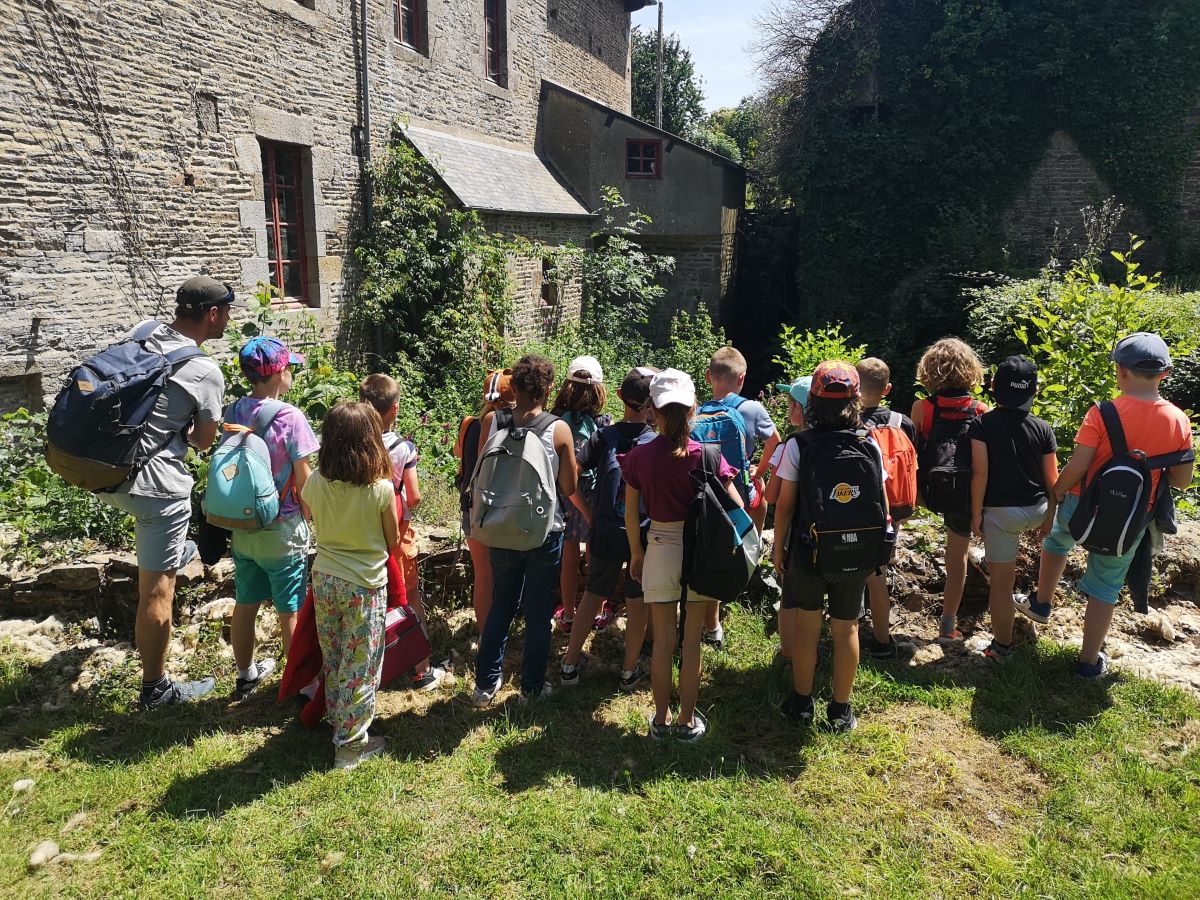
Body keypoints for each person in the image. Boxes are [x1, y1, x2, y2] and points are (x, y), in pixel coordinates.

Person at [1018, 334, 1193, 677]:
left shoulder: (1103, 412)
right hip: (1130, 520)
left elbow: (1078, 466)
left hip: (1081, 507)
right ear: (1165, 374)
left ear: (1121, 371)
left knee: (1056, 541)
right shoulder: (1178, 420)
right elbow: (1182, 480)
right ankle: (1088, 663)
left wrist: (1057, 492)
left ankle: (1041, 602)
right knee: (1105, 586)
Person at [96, 276, 232, 709]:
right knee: (157, 590)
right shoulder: (205, 370)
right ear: (212, 314)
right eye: (227, 312)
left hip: (105, 470)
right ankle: (154, 689)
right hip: (154, 488)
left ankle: (176, 548)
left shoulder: (144, 330)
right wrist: (181, 431)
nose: (229, 319)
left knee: (163, 543)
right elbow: (203, 441)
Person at [624, 369, 739, 742]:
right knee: (691, 642)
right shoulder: (708, 455)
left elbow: (630, 513)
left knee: (663, 642)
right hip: (700, 553)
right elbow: (737, 506)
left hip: (659, 546)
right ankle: (687, 722)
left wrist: (637, 552)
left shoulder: (639, 457)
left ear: (653, 410)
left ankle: (661, 719)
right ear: (693, 409)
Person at [773, 361, 889, 733]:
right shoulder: (869, 442)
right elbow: (881, 501)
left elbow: (785, 506)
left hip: (809, 550)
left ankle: (801, 704)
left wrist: (778, 548)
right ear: (856, 400)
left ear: (814, 400)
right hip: (856, 551)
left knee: (807, 628)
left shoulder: (800, 444)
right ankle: (840, 710)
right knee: (847, 628)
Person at [472, 355, 579, 706]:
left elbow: (482, 471)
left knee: (502, 603)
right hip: (542, 531)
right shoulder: (558, 429)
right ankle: (531, 688)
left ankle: (485, 684)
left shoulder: (493, 421)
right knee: (538, 612)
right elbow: (568, 486)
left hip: (500, 526)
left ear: (513, 386)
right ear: (549, 389)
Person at [301, 402, 401, 770]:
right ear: (372, 439)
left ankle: (339, 721)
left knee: (335, 657)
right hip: (364, 585)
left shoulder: (316, 480)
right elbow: (392, 540)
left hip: (325, 578)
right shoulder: (380, 489)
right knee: (361, 665)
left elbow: (311, 514)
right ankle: (350, 746)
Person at [226, 337, 319, 699]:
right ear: (280, 374)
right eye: (289, 368)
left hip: (244, 526)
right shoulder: (290, 416)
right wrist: (312, 517)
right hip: (282, 528)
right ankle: (302, 684)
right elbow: (303, 475)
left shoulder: (234, 411)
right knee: (290, 610)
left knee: (245, 604)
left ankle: (245, 674)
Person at [560, 367, 655, 691]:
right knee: (637, 599)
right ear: (652, 404)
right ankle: (628, 671)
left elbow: (571, 474)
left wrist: (587, 511)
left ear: (618, 396)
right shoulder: (655, 442)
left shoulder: (604, 436)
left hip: (605, 526)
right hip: (643, 531)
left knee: (593, 594)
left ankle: (570, 664)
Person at [967, 356, 1059, 662]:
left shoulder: (982, 424)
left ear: (993, 386)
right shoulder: (1043, 428)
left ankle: (1001, 648)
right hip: (1038, 508)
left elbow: (980, 473)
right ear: (1035, 390)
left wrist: (976, 513)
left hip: (1002, 514)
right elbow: (1052, 480)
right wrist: (1050, 516)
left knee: (1001, 585)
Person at [360, 374, 447, 691]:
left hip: (363, 532)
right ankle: (421, 669)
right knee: (409, 596)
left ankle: (369, 667)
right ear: (394, 409)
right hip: (397, 532)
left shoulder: (357, 443)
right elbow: (415, 496)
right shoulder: (403, 448)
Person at [700, 347, 780, 648]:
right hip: (741, 499)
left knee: (712, 554)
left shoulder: (698, 411)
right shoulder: (752, 409)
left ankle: (712, 626)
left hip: (709, 497)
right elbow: (775, 441)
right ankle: (750, 555)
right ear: (742, 379)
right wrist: (759, 471)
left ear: (708, 377)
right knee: (760, 492)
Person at [911, 338, 987, 642]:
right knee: (957, 560)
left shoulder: (922, 409)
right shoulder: (980, 410)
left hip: (932, 492)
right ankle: (947, 625)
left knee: (953, 558)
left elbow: (913, 453)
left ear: (930, 370)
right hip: (967, 494)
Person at [857, 357, 918, 660]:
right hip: (895, 506)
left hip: (860, 506)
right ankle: (881, 638)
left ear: (855, 387)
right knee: (879, 567)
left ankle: (863, 625)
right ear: (888, 389)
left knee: (864, 569)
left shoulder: (848, 422)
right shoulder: (902, 422)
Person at [550, 356, 611, 635]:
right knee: (595, 554)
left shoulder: (554, 420)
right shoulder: (603, 423)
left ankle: (569, 613)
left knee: (569, 554)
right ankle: (597, 611)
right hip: (594, 495)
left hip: (563, 494)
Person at [455, 369, 515, 634]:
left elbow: (458, 453)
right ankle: (501, 632)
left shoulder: (469, 424)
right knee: (505, 575)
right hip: (502, 507)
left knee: (483, 575)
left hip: (471, 505)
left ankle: (484, 635)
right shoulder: (512, 425)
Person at [767, 375, 811, 665]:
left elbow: (774, 497)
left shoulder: (790, 445)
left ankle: (788, 653)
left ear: (799, 409)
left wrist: (778, 546)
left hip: (798, 535)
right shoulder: (844, 438)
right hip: (832, 533)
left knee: (791, 598)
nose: (786, 408)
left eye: (790, 403)